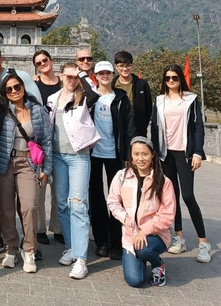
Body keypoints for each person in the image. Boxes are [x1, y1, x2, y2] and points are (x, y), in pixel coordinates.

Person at [0, 44, 42, 256]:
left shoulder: (20, 76)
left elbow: (36, 105)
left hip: (22, 148)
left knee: (24, 199)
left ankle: (28, 239)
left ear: (2, 58)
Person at [0, 73, 53, 273]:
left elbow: (47, 141)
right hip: (4, 163)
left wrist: (47, 169)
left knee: (29, 206)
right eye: (9, 89)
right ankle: (11, 248)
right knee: (6, 208)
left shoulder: (37, 110)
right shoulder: (0, 111)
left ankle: (29, 249)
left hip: (27, 163)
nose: (14, 91)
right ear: (4, 93)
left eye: (17, 87)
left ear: (23, 87)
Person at [151, 65, 211, 263]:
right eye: (167, 78)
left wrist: (197, 152)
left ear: (180, 79)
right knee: (171, 196)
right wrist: (154, 154)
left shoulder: (190, 100)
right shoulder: (159, 101)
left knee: (187, 196)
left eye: (174, 78)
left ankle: (203, 242)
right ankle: (179, 237)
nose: (170, 81)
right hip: (165, 154)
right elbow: (154, 127)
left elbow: (198, 127)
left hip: (184, 154)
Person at [46, 63, 99, 279]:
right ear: (60, 76)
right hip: (58, 156)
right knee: (61, 204)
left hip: (79, 156)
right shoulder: (52, 99)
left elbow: (95, 93)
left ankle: (81, 258)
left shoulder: (84, 97)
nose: (71, 80)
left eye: (74, 77)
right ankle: (71, 246)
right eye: (67, 76)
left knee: (78, 204)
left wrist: (82, 74)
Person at [107, 137, 176, 287]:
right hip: (130, 235)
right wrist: (125, 218)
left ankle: (158, 264)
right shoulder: (122, 176)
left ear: (152, 155)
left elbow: (167, 214)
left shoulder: (163, 181)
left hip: (156, 235)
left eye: (144, 154)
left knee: (143, 249)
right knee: (135, 280)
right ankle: (141, 257)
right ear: (131, 156)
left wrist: (144, 231)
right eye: (136, 154)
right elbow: (112, 201)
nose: (140, 158)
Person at [89, 61, 135, 261]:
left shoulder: (121, 98)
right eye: (101, 73)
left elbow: (128, 127)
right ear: (95, 75)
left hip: (115, 154)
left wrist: (128, 154)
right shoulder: (90, 98)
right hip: (93, 153)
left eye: (108, 72)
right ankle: (101, 241)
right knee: (96, 197)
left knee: (118, 198)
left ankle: (116, 241)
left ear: (112, 74)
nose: (105, 76)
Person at [32, 49, 62, 246]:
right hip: (42, 143)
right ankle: (40, 228)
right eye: (39, 63)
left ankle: (58, 228)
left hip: (62, 142)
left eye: (45, 60)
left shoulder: (64, 82)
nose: (43, 64)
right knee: (39, 188)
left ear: (51, 61)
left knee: (59, 189)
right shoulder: (34, 86)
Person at [113, 51, 152, 138]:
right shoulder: (112, 85)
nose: (125, 69)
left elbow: (148, 108)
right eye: (121, 66)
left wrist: (142, 125)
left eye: (128, 65)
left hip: (138, 130)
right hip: (117, 129)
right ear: (116, 67)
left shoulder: (142, 85)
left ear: (132, 65)